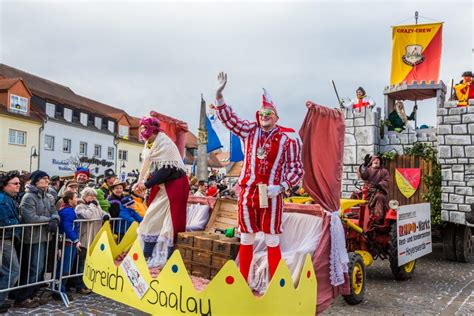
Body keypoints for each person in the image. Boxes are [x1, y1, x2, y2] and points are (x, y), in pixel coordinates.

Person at [213, 72, 304, 282]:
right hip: (248, 193)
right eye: (262, 113)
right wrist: (218, 96)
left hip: (272, 195)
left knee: (272, 239)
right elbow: (229, 120)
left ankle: (275, 285)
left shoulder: (287, 140)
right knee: (246, 238)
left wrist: (281, 186)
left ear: (276, 117)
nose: (264, 116)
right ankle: (243, 282)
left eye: (269, 113)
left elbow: (296, 168)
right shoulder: (248, 131)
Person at [133, 114, 189, 266]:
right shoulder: (150, 145)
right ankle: (146, 255)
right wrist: (139, 182)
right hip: (164, 185)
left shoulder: (164, 143)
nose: (142, 131)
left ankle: (170, 258)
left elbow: (166, 170)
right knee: (151, 218)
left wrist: (146, 184)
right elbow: (147, 166)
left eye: (144, 127)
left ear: (152, 129)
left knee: (172, 223)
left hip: (176, 184)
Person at [14, 170, 59, 307]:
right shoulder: (29, 197)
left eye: (47, 178)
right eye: (43, 178)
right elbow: (30, 217)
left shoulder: (47, 196)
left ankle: (32, 294)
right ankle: (23, 297)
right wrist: (49, 220)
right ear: (35, 181)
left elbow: (54, 211)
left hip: (44, 236)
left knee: (40, 268)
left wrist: (55, 219)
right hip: (32, 237)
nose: (47, 181)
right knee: (33, 267)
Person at [70, 187, 109, 294]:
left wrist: (106, 215)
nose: (93, 198)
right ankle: (80, 285)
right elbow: (87, 216)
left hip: (94, 238)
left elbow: (103, 213)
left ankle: (89, 282)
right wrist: (92, 206)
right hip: (84, 238)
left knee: (90, 262)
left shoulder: (96, 206)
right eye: (90, 195)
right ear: (85, 196)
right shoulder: (79, 207)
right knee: (81, 263)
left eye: (94, 196)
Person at [0, 171, 23, 311]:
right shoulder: (3, 200)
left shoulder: (9, 198)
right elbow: (5, 221)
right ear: (5, 185)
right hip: (4, 239)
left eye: (19, 183)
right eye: (15, 183)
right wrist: (19, 221)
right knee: (13, 270)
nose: (18, 186)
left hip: (8, 238)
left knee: (7, 271)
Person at [55, 191, 81, 300]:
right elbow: (67, 227)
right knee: (64, 268)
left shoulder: (68, 210)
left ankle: (61, 289)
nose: (77, 199)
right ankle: (59, 290)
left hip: (68, 242)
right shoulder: (67, 211)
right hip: (67, 242)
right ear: (70, 200)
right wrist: (75, 240)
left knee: (65, 268)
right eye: (75, 197)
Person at [355, 154, 390, 224]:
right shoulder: (368, 169)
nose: (376, 160)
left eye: (378, 159)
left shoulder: (384, 171)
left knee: (379, 197)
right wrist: (364, 165)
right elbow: (363, 175)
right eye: (374, 159)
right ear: (371, 161)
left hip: (378, 191)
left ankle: (378, 218)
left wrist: (379, 185)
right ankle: (354, 214)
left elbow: (386, 181)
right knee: (355, 195)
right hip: (367, 191)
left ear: (380, 162)